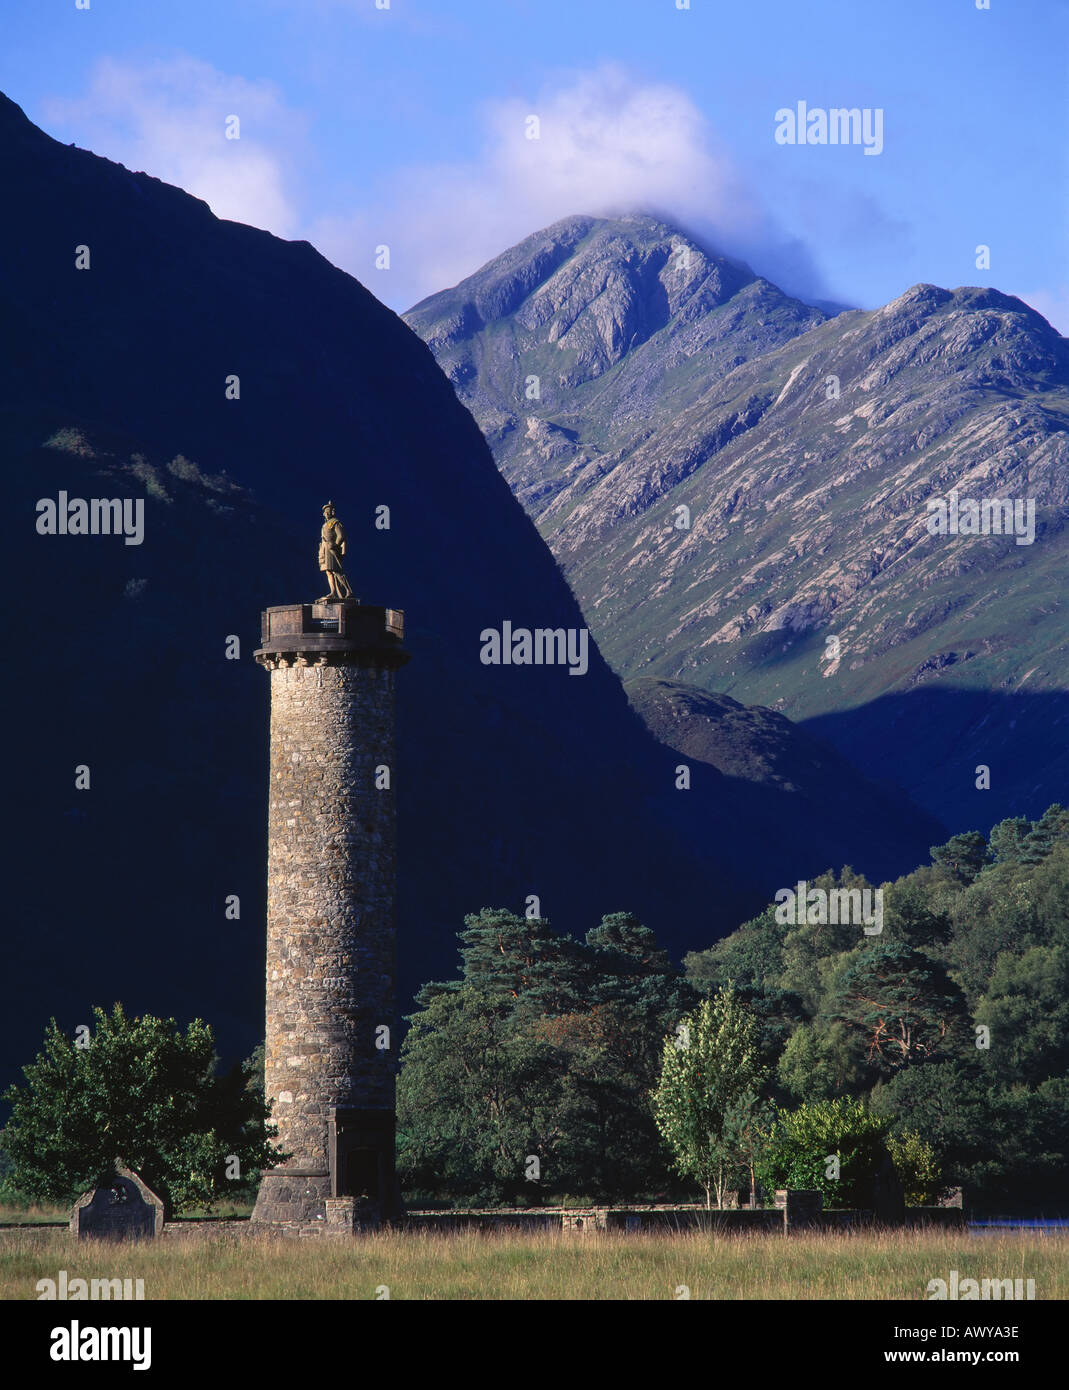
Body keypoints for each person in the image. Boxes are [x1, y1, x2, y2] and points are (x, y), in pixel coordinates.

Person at [317, 501, 355, 602]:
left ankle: (348, 591)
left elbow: (341, 535)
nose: (325, 513)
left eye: (327, 511)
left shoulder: (335, 523)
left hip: (332, 549)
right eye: (325, 512)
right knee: (329, 572)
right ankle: (333, 592)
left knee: (337, 571)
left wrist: (335, 544)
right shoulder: (325, 524)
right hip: (325, 549)